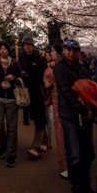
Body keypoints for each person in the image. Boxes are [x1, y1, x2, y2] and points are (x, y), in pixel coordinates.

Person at [53, 39, 97, 193]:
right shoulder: (60, 67)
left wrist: (93, 109)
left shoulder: (83, 67)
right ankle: (77, 192)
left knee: (89, 153)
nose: (71, 53)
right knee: (75, 156)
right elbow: (66, 93)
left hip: (85, 116)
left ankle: (86, 187)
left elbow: (91, 89)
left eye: (75, 50)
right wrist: (82, 109)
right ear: (64, 50)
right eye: (68, 49)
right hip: (70, 116)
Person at [0, 42, 22, 167]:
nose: (3, 51)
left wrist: (13, 77)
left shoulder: (14, 63)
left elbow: (20, 77)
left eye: (5, 49)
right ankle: (3, 145)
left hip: (12, 98)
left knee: (12, 127)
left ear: (9, 50)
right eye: (1, 49)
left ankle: (11, 154)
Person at [18, 36, 48, 159]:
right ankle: (45, 140)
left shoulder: (40, 59)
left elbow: (45, 76)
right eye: (25, 44)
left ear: (33, 46)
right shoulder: (21, 58)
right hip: (26, 91)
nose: (27, 46)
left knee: (39, 116)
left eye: (30, 44)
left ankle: (35, 146)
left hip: (38, 92)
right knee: (34, 117)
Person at [43, 44, 68, 178]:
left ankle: (66, 164)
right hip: (59, 99)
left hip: (59, 99)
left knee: (61, 131)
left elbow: (47, 82)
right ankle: (66, 163)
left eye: (52, 51)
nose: (50, 53)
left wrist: (49, 83)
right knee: (62, 130)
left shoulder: (54, 67)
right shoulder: (57, 66)